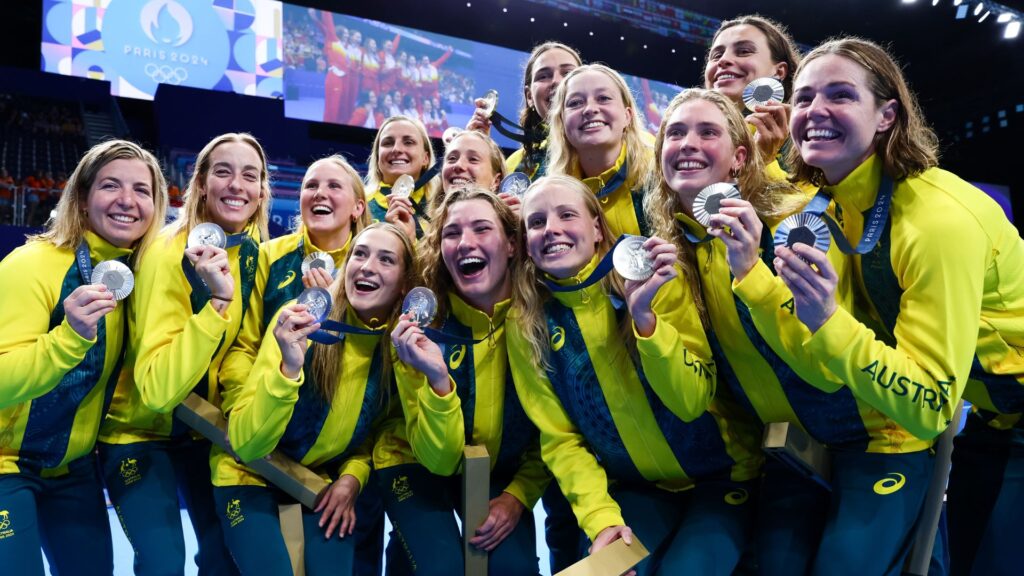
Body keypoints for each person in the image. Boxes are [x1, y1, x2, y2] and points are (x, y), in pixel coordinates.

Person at [733, 37, 1023, 573]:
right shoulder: (830, 206)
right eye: (804, 98)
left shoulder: (938, 221)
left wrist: (827, 320)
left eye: (840, 95)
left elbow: (932, 406)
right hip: (990, 413)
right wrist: (755, 280)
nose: (815, 111)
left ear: (887, 114)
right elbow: (824, 365)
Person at [646, 86, 937, 574]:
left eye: (707, 132)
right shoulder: (678, 251)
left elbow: (824, 371)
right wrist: (648, 325)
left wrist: (750, 271)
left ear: (740, 157)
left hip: (872, 434)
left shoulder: (798, 216)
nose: (688, 143)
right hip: (790, 451)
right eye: (674, 133)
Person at [508, 175, 760, 575]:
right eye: (535, 222)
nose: (550, 229)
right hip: (641, 492)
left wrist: (645, 322)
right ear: (525, 243)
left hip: (723, 477)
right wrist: (602, 520)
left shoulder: (655, 279)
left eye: (566, 215)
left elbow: (692, 401)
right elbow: (561, 441)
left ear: (597, 228)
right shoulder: (526, 323)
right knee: (602, 573)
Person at [96, 132, 271, 575]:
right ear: (201, 185)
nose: (236, 185)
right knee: (163, 565)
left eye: (249, 175)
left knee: (223, 558)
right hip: (139, 433)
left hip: (201, 432)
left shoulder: (249, 255)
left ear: (262, 191)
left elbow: (239, 350)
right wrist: (215, 308)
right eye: (223, 172)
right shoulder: (166, 252)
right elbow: (156, 388)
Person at [0, 139, 166, 574]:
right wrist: (69, 336)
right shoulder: (30, 265)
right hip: (4, 464)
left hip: (73, 469)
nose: (127, 201)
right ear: (82, 197)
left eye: (142, 190)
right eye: (111, 185)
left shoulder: (135, 278)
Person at [216, 223, 414, 575]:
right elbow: (247, 444)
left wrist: (352, 478)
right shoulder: (301, 321)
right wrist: (289, 368)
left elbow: (378, 431)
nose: (367, 266)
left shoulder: (397, 350)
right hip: (247, 474)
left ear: (404, 285)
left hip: (314, 481)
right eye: (360, 253)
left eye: (386, 260)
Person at [381, 188, 547, 576]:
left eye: (481, 228)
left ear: (510, 244)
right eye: (451, 233)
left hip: (497, 468)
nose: (464, 242)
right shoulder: (419, 329)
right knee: (440, 569)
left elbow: (557, 430)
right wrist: (439, 379)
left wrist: (518, 496)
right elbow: (438, 461)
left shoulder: (540, 317)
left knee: (513, 569)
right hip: (414, 464)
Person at [546, 64, 655, 239]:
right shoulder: (552, 197)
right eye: (575, 103)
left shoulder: (663, 176)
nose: (589, 109)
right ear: (562, 122)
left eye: (603, 98)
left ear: (627, 116)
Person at [467, 41, 582, 180]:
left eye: (568, 73)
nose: (556, 81)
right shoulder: (514, 165)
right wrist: (476, 151)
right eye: (543, 76)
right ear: (529, 97)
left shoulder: (606, 147)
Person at [704, 15, 801, 176]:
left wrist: (763, 162)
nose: (723, 60)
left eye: (743, 52)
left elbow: (812, 200)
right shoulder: (683, 137)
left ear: (779, 71)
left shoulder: (805, 137)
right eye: (716, 55)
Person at [365, 115, 438, 241]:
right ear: (377, 158)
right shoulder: (359, 204)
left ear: (425, 158)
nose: (396, 149)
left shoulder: (442, 204)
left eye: (408, 142)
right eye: (387, 143)